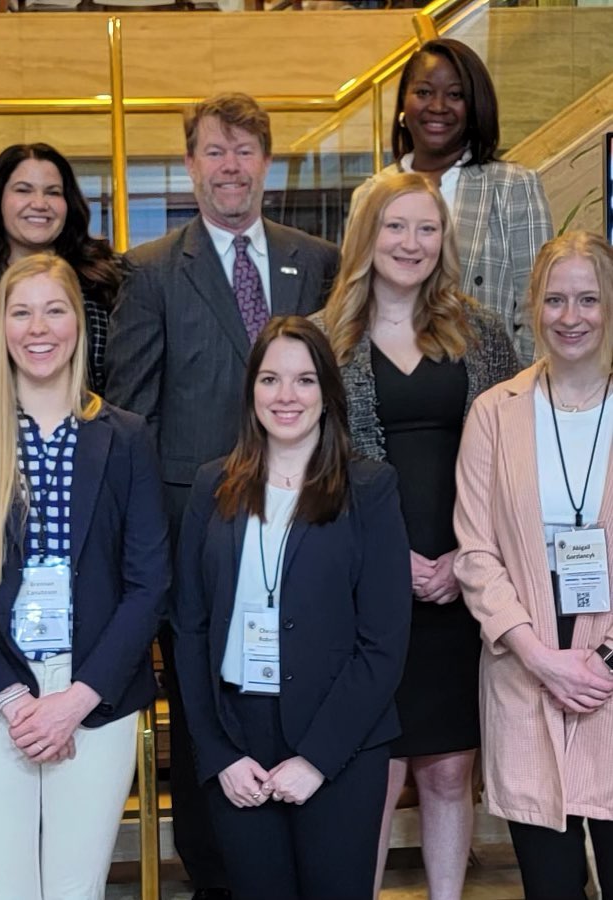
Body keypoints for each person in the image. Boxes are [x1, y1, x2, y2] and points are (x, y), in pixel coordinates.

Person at [105, 91, 339, 899]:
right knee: (206, 719)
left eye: (245, 151)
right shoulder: (150, 270)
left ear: (266, 164)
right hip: (196, 542)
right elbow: (134, 417)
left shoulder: (315, 261)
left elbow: (333, 399)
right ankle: (214, 879)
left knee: (301, 697)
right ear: (190, 162)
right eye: (214, 150)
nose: (230, 166)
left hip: (305, 533)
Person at [0, 253, 170, 900]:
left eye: (54, 310)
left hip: (94, 697)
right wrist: (14, 699)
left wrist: (76, 700)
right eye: (20, 311)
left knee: (74, 890)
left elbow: (148, 585)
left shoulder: (126, 437)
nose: (38, 327)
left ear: (78, 325)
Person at [312, 172, 519, 900]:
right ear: (367, 236)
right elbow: (306, 462)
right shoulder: (322, 338)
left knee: (450, 769)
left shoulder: (482, 332)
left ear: (444, 240)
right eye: (395, 227)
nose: (411, 243)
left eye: (426, 229)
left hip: (464, 577)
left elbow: (514, 453)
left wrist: (468, 556)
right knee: (374, 768)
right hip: (365, 585)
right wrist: (379, 559)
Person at [173, 315, 411, 900]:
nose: (286, 396)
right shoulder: (212, 486)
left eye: (304, 381)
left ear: (328, 393)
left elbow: (383, 642)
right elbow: (188, 628)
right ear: (250, 389)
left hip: (341, 739)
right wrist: (219, 753)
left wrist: (317, 759)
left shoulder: (370, 489)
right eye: (271, 379)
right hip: (238, 737)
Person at [454, 231, 613, 900]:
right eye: (554, 300)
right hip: (526, 666)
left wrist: (604, 659)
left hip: (609, 669)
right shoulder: (495, 411)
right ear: (531, 306)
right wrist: (541, 657)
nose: (570, 317)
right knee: (550, 888)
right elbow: (475, 551)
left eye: (587, 299)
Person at [349, 38, 553, 363]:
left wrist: (514, 397)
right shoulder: (369, 195)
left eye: (455, 95)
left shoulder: (514, 186)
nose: (438, 106)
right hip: (390, 393)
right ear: (403, 102)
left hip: (490, 395)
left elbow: (538, 307)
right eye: (424, 92)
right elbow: (352, 305)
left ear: (474, 107)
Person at [0, 142, 120, 394]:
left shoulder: (109, 278)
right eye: (23, 190)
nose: (40, 203)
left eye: (53, 192)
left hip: (98, 428)